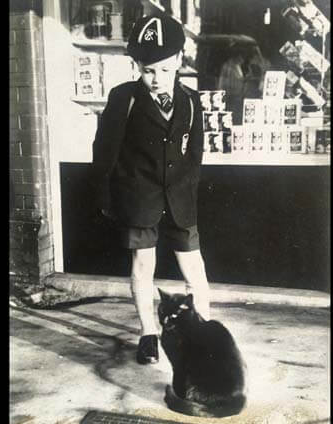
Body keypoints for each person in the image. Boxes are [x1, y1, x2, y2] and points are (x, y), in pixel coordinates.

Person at [91, 15, 211, 365]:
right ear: (137, 67)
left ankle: (201, 328)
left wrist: (187, 191)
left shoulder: (191, 101)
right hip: (139, 200)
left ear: (178, 60)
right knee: (144, 266)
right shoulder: (124, 98)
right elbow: (104, 152)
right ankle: (148, 333)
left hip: (180, 202)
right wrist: (108, 197)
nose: (155, 79)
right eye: (147, 71)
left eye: (162, 69)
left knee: (195, 270)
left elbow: (195, 152)